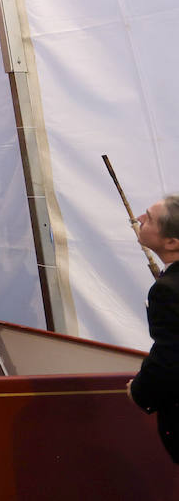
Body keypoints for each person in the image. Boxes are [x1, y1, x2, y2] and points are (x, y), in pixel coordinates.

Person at [129, 194, 179, 463]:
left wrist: (139, 390)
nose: (139, 219)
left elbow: (170, 355)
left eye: (148, 218)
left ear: (172, 242)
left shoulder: (167, 290)